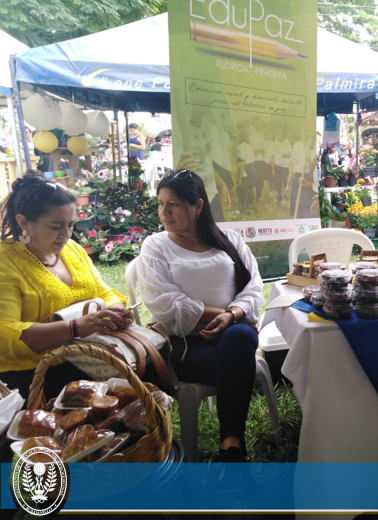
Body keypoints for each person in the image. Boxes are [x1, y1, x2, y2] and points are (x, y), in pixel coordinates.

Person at [136, 170, 263, 462]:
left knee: (241, 338)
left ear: (198, 207)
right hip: (187, 344)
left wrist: (232, 316)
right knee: (239, 352)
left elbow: (254, 286)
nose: (164, 212)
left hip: (234, 334)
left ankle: (231, 444)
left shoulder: (229, 239)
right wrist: (226, 314)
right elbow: (165, 304)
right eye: (160, 203)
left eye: (174, 204)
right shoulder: (156, 246)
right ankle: (233, 447)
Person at [0, 178, 133, 399]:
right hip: (32, 377)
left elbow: (105, 293)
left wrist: (114, 311)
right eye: (55, 226)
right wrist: (75, 327)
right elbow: (5, 333)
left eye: (70, 224)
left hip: (86, 360)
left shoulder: (72, 250)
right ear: (23, 222)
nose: (66, 234)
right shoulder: (5, 261)